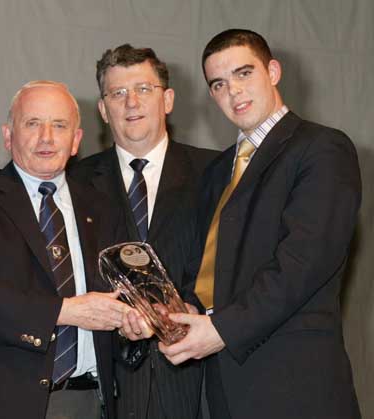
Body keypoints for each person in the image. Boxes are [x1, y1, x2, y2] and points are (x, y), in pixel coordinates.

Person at [128, 29, 361, 419]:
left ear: (273, 71)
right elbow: (211, 273)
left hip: (296, 385)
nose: (233, 91)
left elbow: (303, 263)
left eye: (243, 73)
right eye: (219, 84)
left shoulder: (322, 148)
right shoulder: (218, 170)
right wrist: (175, 313)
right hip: (224, 389)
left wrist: (219, 330)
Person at [0, 80, 129, 419]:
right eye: (33, 123)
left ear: (76, 141)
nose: (47, 137)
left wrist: (133, 321)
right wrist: (62, 311)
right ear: (8, 136)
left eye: (60, 125)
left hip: (87, 401)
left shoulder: (104, 207)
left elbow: (116, 295)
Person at [71, 44, 217, 419]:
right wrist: (122, 320)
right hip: (112, 388)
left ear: (167, 99)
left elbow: (238, 266)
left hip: (199, 383)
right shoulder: (74, 183)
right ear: (103, 110)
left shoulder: (215, 173)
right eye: (117, 93)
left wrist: (194, 309)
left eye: (143, 89)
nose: (131, 102)